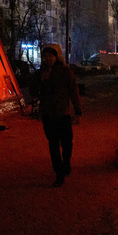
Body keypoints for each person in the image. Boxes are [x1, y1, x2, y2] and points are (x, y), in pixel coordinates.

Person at [31, 43, 82, 187]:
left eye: (50, 56)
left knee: (67, 142)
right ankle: (59, 172)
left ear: (56, 56)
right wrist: (41, 81)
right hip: (48, 113)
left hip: (63, 113)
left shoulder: (65, 72)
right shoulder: (39, 73)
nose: (47, 59)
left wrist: (77, 111)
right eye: (45, 56)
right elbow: (33, 92)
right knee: (53, 144)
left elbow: (73, 91)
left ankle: (66, 161)